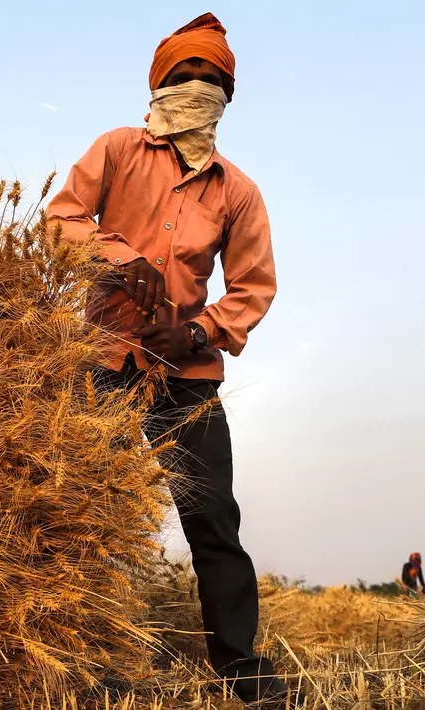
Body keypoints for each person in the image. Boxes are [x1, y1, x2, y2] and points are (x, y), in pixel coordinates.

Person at [46, 14, 290, 705]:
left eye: (210, 80)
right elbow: (62, 218)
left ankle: (240, 666)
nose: (195, 87)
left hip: (185, 376)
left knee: (212, 517)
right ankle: (86, 659)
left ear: (227, 97)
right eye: (183, 76)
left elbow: (252, 288)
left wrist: (198, 333)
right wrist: (120, 262)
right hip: (102, 359)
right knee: (84, 510)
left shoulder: (235, 191)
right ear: (157, 85)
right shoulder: (117, 150)